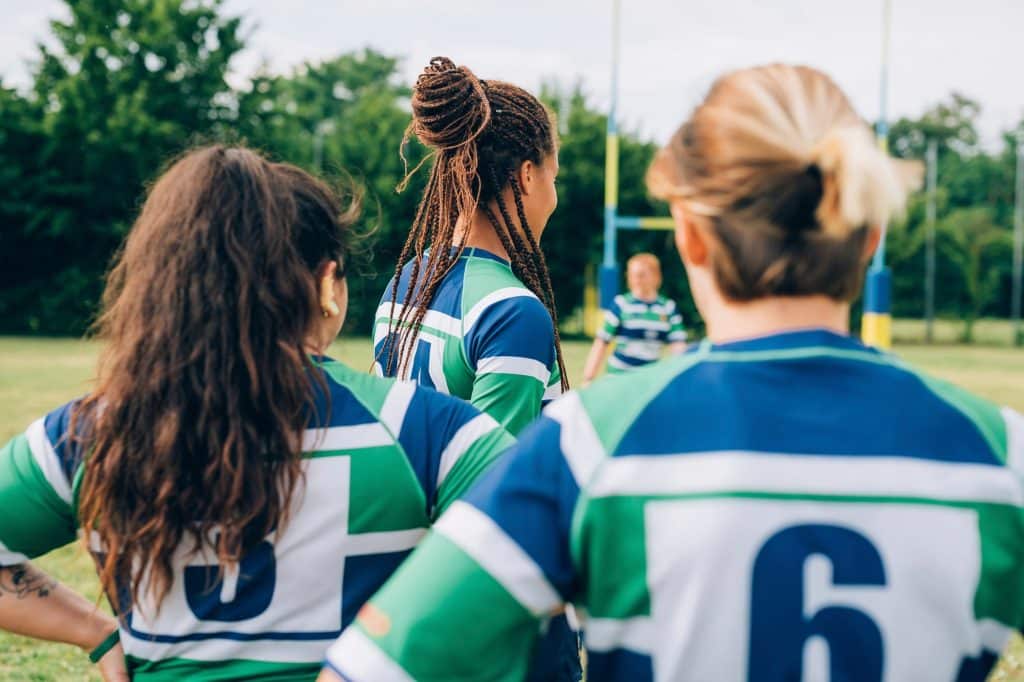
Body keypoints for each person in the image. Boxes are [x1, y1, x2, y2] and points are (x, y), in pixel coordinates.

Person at [318, 64, 1023, 682]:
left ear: (686, 236)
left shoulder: (585, 444)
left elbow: (374, 666)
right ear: (870, 238)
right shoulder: (1004, 455)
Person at [0, 145, 514, 681]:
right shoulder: (425, 431)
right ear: (325, 285)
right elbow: (553, 551)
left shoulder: (91, 433)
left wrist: (96, 630)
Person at [373, 56, 568, 437]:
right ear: (528, 176)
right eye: (554, 178)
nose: (554, 197)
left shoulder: (407, 279)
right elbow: (489, 478)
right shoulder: (512, 312)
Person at [581, 252, 686, 384]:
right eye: (632, 275)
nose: (635, 279)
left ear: (657, 277)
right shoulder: (621, 304)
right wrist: (588, 378)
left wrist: (682, 379)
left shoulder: (668, 308)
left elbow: (678, 347)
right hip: (619, 378)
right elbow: (601, 342)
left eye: (641, 275)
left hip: (649, 381)